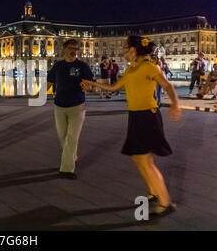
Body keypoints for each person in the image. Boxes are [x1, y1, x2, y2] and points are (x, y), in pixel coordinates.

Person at [81, 35, 181, 217]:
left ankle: (166, 203)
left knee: (145, 160)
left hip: (148, 117)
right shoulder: (130, 71)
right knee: (139, 159)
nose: (123, 52)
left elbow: (167, 86)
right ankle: (154, 191)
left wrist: (175, 103)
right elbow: (114, 88)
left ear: (133, 51)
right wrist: (93, 84)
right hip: (135, 117)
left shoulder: (149, 67)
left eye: (125, 49)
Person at [47, 39, 94, 180]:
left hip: (77, 106)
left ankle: (67, 170)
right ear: (64, 49)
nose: (74, 51)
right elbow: (49, 82)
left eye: (76, 49)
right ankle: (72, 157)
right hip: (59, 106)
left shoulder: (82, 66)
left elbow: (90, 84)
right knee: (63, 137)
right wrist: (37, 95)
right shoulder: (58, 66)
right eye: (71, 48)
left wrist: (88, 87)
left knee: (72, 138)